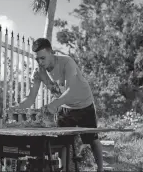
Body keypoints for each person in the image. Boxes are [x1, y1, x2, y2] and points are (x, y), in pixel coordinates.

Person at [10, 38, 104, 172]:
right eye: (37, 59)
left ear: (51, 53)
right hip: (65, 107)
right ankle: (64, 169)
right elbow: (30, 99)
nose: (40, 62)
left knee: (92, 140)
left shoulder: (67, 62)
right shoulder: (38, 73)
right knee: (63, 142)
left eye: (43, 58)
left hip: (84, 104)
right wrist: (17, 107)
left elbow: (71, 91)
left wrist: (53, 105)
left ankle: (101, 169)